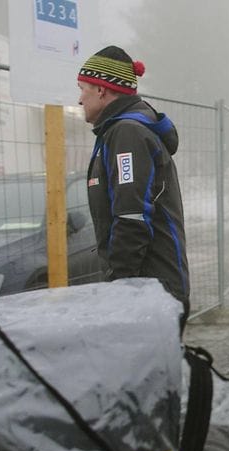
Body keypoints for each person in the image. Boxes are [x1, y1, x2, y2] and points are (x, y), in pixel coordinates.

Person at [77, 45, 190, 324]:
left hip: (150, 294)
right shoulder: (118, 131)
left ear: (102, 90)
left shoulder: (127, 134)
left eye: (83, 89)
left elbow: (131, 216)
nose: (80, 99)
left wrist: (121, 288)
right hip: (149, 290)